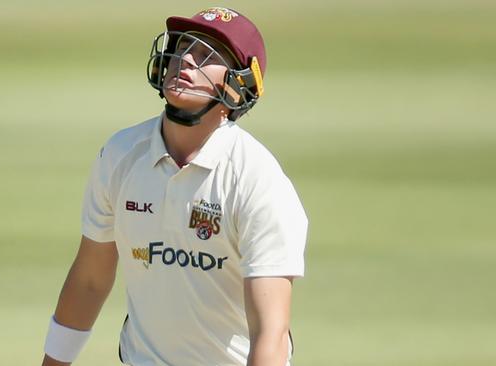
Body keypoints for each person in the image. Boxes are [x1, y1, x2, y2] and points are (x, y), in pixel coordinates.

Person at [41, 6, 308, 366]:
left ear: (238, 86)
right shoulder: (121, 154)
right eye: (182, 47)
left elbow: (270, 332)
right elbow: (90, 278)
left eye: (207, 55)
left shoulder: (258, 179)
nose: (185, 60)